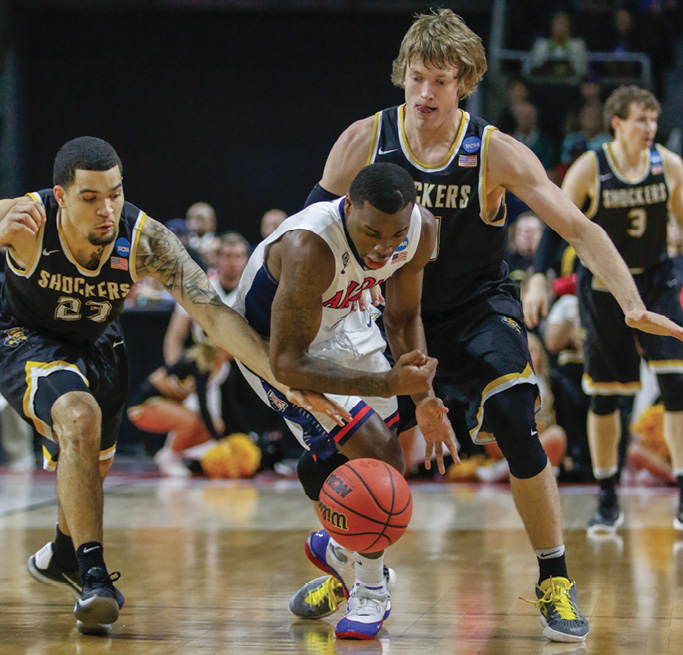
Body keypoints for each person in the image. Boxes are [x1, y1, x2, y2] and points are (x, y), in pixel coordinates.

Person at [291, 9, 683, 644]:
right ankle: (351, 566)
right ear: (402, 76)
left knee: (514, 422)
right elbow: (304, 238)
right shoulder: (363, 141)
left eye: (441, 81)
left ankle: (554, 578)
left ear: (466, 81)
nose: (425, 94)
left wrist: (632, 303)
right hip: (385, 316)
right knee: (325, 459)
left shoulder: (493, 151)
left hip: (477, 309)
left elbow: (580, 228)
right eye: (417, 78)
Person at [0, 136, 360, 636]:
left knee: (89, 469)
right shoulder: (25, 219)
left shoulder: (145, 241)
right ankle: (95, 577)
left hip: (99, 343)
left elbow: (213, 316)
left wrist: (285, 378)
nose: (107, 210)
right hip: (28, 336)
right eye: (90, 198)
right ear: (60, 197)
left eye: (116, 193)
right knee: (78, 419)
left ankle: (64, 552)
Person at [230, 162, 456, 640]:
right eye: (372, 232)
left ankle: (337, 547)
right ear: (347, 206)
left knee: (367, 461)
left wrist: (425, 398)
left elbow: (403, 316)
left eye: (395, 235)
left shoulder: (421, 230)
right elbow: (289, 363)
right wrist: (387, 386)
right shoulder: (310, 246)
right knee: (379, 453)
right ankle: (371, 590)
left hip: (348, 322)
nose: (383, 247)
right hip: (272, 349)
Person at [527, 85, 683, 534]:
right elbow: (556, 225)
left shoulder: (667, 166)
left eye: (653, 119)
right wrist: (539, 274)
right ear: (616, 122)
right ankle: (607, 495)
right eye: (640, 119)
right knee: (607, 394)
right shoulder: (591, 168)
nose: (650, 127)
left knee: (677, 386)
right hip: (603, 288)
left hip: (656, 281)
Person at [127, 340, 230, 477]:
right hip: (143, 406)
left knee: (216, 426)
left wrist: (218, 436)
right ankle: (169, 459)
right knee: (190, 421)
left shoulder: (219, 367)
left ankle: (168, 454)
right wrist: (219, 442)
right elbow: (203, 405)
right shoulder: (200, 364)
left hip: (164, 405)